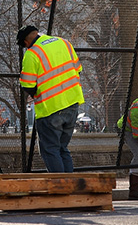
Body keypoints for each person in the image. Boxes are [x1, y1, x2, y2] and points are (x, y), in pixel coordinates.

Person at [17, 25, 85, 173]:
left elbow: (27, 85)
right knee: (62, 148)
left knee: (50, 149)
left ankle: (59, 184)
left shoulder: (32, 53)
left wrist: (37, 94)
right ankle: (69, 184)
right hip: (72, 103)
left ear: (26, 42)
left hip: (50, 108)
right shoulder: (64, 43)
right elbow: (78, 70)